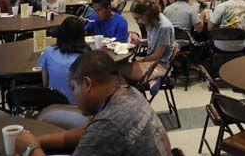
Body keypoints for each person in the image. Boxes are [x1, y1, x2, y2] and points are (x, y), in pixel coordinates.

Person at [15, 51, 171, 156]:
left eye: (73, 88)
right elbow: (89, 132)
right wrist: (40, 140)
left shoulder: (108, 124)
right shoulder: (129, 92)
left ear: (87, 84)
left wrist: (31, 149)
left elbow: (101, 131)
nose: (72, 95)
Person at [38, 17, 88, 104]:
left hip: (54, 106)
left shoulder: (49, 51)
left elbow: (45, 83)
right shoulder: (86, 58)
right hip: (79, 108)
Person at [125, 0, 175, 81]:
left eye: (137, 18)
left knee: (120, 71)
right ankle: (149, 81)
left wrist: (138, 62)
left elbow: (156, 56)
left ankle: (154, 78)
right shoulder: (151, 20)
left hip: (160, 64)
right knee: (120, 70)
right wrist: (140, 41)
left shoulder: (164, 27)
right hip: (151, 59)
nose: (137, 22)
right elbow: (154, 41)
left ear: (146, 14)